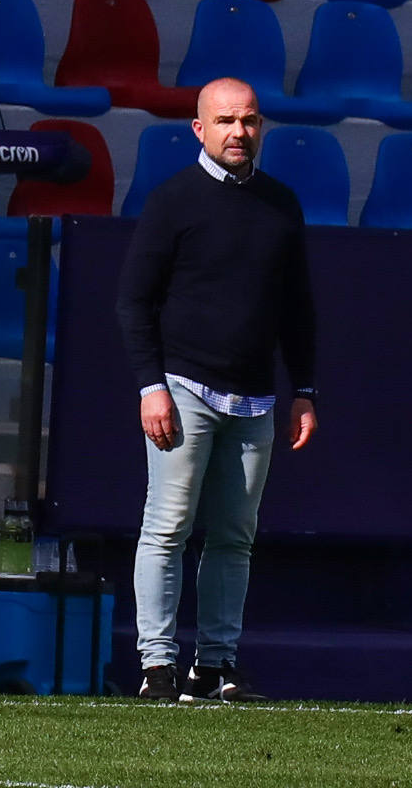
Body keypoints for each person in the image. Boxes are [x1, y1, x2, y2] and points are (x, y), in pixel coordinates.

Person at [117, 77, 318, 703]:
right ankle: (157, 667)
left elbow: (297, 308)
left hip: (254, 397)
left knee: (235, 535)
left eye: (250, 120)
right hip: (184, 387)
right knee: (168, 526)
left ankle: (216, 666)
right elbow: (133, 301)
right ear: (199, 129)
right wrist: (152, 386)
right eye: (226, 120)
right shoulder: (173, 200)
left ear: (263, 128)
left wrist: (304, 389)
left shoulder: (281, 202)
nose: (239, 132)